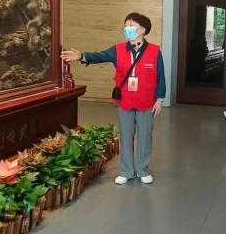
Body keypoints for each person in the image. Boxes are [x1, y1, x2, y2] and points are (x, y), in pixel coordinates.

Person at [60, 13, 166, 185]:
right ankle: (127, 171)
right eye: (126, 25)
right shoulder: (118, 50)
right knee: (126, 135)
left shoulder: (155, 51)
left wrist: (160, 99)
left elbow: (161, 77)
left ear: (143, 30)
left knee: (145, 136)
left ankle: (142, 170)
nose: (127, 28)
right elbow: (99, 56)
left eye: (131, 25)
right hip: (125, 101)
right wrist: (81, 56)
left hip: (146, 102)